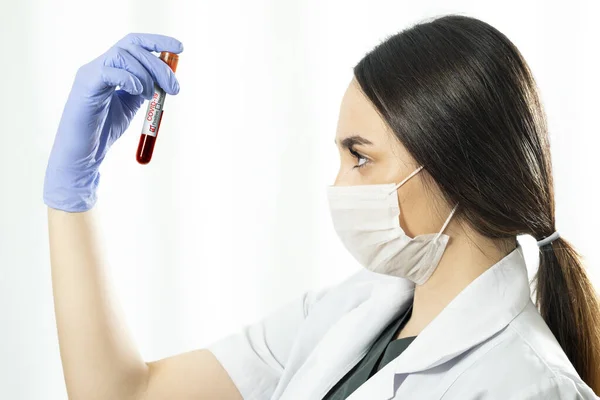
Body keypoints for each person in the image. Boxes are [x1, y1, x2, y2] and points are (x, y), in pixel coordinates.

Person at [43, 15, 600, 400]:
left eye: (360, 157)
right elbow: (125, 393)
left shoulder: (528, 386)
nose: (339, 183)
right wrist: (72, 197)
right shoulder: (349, 313)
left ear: (459, 166)